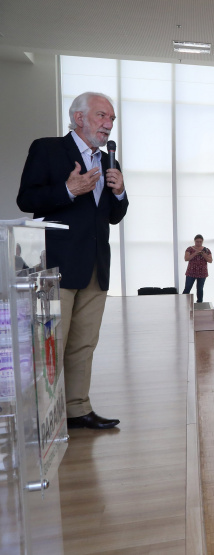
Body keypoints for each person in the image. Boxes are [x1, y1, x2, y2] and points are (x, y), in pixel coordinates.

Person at [17, 91, 128, 430]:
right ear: (79, 118)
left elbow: (113, 216)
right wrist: (68, 190)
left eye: (111, 119)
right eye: (101, 116)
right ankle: (43, 416)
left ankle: (77, 408)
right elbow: (26, 199)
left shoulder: (109, 162)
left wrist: (120, 192)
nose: (108, 124)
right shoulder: (48, 149)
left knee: (84, 342)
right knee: (51, 344)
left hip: (95, 266)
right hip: (57, 266)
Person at [182, 234, 212, 303]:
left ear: (202, 241)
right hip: (191, 272)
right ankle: (183, 303)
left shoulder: (206, 250)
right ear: (194, 241)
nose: (198, 243)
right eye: (197, 241)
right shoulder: (189, 249)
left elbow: (210, 260)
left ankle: (199, 304)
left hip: (202, 272)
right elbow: (186, 259)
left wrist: (204, 255)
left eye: (200, 242)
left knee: (200, 289)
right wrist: (194, 253)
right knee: (187, 288)